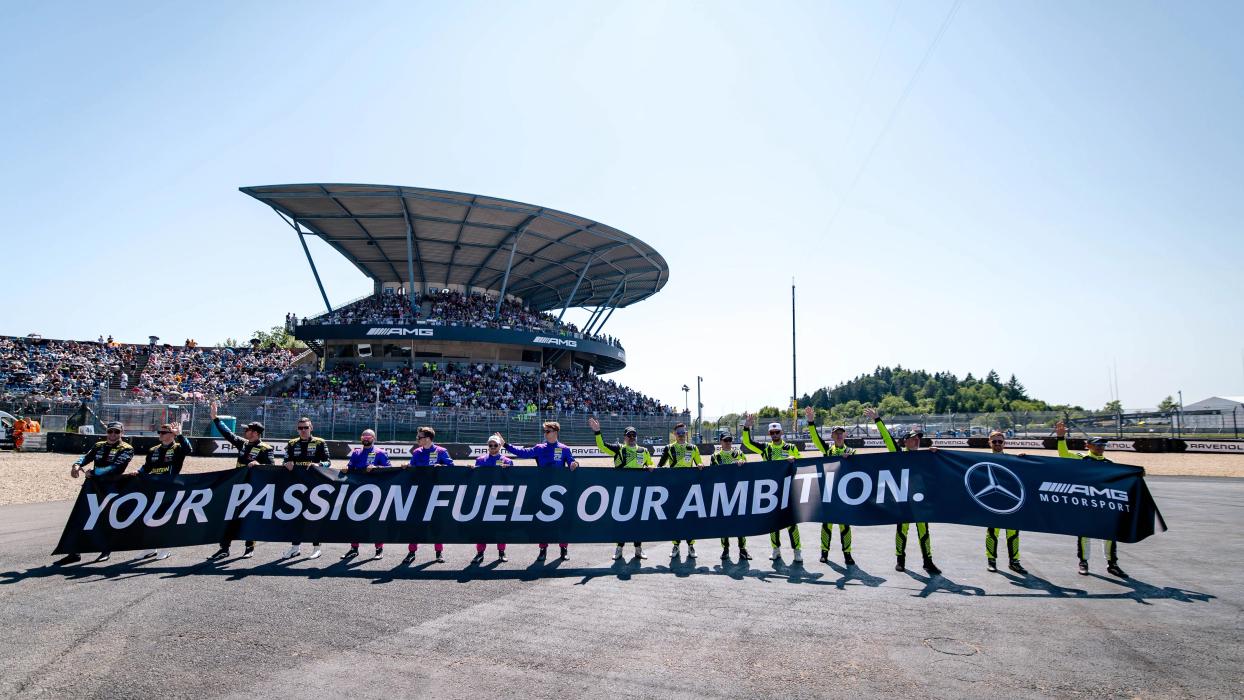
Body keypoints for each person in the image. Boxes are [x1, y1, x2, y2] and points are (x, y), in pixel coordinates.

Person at [866, 407, 942, 576]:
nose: (916, 441)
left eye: (918, 439)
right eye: (913, 439)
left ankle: (928, 561)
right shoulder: (899, 454)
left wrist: (936, 454)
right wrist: (877, 419)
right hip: (903, 499)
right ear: (905, 442)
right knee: (902, 530)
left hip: (920, 501)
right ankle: (900, 560)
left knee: (924, 532)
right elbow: (887, 438)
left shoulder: (926, 456)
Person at [1056, 421, 1128, 578]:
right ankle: (1083, 562)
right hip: (1084, 503)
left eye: (1103, 445)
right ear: (1087, 446)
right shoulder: (1081, 458)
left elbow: (1121, 480)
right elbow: (1063, 454)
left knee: (1109, 535)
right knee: (1084, 534)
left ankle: (1112, 564)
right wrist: (1061, 438)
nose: (1100, 447)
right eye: (1097, 445)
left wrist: (1137, 475)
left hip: (1104, 504)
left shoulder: (1109, 464)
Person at [501, 421, 580, 560]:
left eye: (548, 431)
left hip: (559, 491)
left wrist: (575, 464)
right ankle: (543, 549)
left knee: (562, 521)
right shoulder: (539, 448)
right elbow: (522, 453)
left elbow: (572, 462)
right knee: (542, 521)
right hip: (542, 490)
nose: (545, 434)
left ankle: (564, 549)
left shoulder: (564, 449)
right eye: (545, 431)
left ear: (555, 432)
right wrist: (506, 445)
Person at [60, 421, 134, 564]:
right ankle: (74, 552)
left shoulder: (127, 448)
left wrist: (94, 472)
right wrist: (76, 465)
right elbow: (86, 457)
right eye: (110, 431)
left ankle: (106, 550)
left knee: (106, 519)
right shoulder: (99, 445)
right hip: (92, 486)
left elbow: (116, 467)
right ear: (106, 432)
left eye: (117, 432)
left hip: (112, 487)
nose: (113, 434)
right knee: (81, 517)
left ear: (122, 433)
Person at [208, 401, 273, 559]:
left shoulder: (266, 448)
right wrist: (215, 418)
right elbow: (228, 434)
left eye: (248, 430)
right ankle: (224, 548)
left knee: (250, 517)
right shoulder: (243, 444)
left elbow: (271, 467)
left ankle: (249, 548)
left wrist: (259, 464)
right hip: (236, 486)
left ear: (255, 433)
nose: (245, 432)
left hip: (253, 488)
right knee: (229, 516)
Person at [741, 414, 803, 563]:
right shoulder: (765, 448)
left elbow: (802, 464)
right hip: (771, 493)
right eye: (772, 433)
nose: (775, 434)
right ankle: (776, 550)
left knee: (791, 523)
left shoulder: (791, 448)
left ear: (782, 432)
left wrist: (794, 460)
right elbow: (747, 442)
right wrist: (746, 427)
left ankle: (797, 551)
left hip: (789, 490)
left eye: (777, 432)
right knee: (773, 523)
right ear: (769, 434)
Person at [590, 418, 653, 560]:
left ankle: (638, 549)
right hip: (622, 493)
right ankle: (619, 549)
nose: (632, 437)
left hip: (639, 493)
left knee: (638, 521)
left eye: (634, 435)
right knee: (621, 521)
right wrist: (597, 432)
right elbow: (602, 446)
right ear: (624, 437)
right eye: (629, 435)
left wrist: (650, 466)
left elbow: (650, 465)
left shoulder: (644, 451)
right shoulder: (619, 449)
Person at [804, 407, 856, 567]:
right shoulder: (827, 450)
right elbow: (815, 438)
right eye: (836, 433)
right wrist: (811, 421)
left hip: (845, 495)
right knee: (827, 525)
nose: (839, 435)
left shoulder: (852, 451)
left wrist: (850, 459)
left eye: (841, 433)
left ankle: (847, 554)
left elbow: (859, 470)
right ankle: (824, 552)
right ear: (832, 436)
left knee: (845, 526)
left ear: (845, 435)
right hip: (828, 493)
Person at [135, 422, 193, 561]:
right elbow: (147, 467)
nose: (160, 434)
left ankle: (165, 549)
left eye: (163, 432)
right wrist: (138, 472)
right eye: (159, 432)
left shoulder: (178, 448)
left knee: (166, 519)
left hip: (170, 488)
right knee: (150, 517)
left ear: (172, 434)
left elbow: (189, 449)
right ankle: (150, 548)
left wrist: (179, 434)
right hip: (154, 488)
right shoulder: (153, 450)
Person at [283, 416, 331, 560]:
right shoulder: (291, 443)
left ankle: (317, 548)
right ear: (297, 429)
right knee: (296, 516)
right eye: (300, 428)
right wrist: (286, 463)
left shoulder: (320, 442)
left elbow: (328, 462)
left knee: (313, 515)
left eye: (306, 427)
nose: (303, 430)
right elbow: (285, 460)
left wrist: (319, 465)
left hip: (315, 484)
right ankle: (295, 547)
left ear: (311, 428)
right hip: (296, 485)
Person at [341, 429, 391, 561]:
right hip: (357, 491)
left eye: (369, 436)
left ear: (374, 438)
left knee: (375, 521)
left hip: (375, 493)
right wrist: (346, 468)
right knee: (354, 521)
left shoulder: (380, 453)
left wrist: (377, 468)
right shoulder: (356, 452)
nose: (366, 438)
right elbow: (350, 467)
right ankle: (354, 549)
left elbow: (389, 469)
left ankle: (379, 549)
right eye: (364, 436)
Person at [407, 426, 454, 563]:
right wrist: (406, 466)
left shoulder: (441, 451)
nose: (417, 439)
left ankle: (439, 552)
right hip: (419, 493)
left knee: (436, 523)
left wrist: (442, 467)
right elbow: (411, 468)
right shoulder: (417, 452)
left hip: (437, 494)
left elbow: (452, 467)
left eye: (419, 437)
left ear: (427, 438)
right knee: (415, 523)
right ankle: (411, 552)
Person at [984, 430, 1027, 575]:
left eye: (1000, 441)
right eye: (994, 441)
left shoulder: (1013, 459)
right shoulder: (981, 459)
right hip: (992, 503)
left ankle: (1014, 561)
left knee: (1013, 533)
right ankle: (991, 561)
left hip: (1011, 503)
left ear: (1004, 443)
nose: (997, 444)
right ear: (989, 443)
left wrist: (1024, 459)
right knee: (992, 532)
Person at [660, 422, 703, 558]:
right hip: (674, 488)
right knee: (675, 517)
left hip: (690, 488)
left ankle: (691, 545)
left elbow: (699, 463)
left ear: (686, 433)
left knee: (690, 517)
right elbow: (660, 466)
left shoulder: (693, 448)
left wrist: (700, 465)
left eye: (683, 433)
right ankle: (676, 545)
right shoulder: (669, 448)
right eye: (678, 433)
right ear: (674, 434)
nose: (681, 435)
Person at [710, 434, 751, 560]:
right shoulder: (715, 456)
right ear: (720, 442)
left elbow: (748, 470)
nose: (728, 442)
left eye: (730, 440)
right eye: (725, 440)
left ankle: (742, 549)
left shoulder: (739, 453)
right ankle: (725, 549)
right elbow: (711, 475)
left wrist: (743, 463)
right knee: (724, 523)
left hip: (738, 492)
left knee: (740, 522)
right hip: (723, 493)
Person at [473, 435, 513, 563]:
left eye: (495, 445)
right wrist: (472, 471)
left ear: (500, 446)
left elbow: (513, 480)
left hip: (500, 498)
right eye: (490, 445)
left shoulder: (507, 461)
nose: (493, 447)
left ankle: (501, 552)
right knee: (481, 527)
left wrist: (508, 471)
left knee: (501, 526)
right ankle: (480, 553)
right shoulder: (480, 460)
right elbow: (475, 479)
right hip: (483, 497)